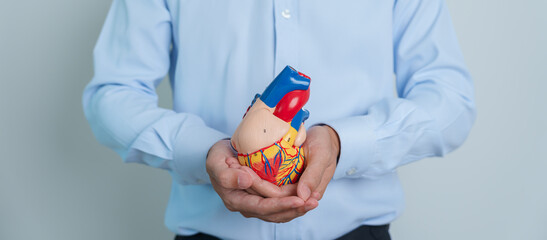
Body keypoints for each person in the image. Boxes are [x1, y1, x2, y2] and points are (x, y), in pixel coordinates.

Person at [83, 0, 476, 239]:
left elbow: (450, 100)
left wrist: (344, 143)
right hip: (208, 234)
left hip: (358, 235)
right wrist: (200, 151)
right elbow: (112, 95)